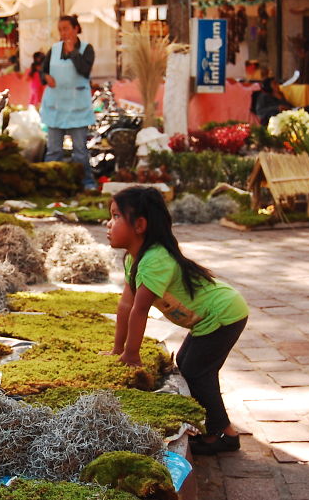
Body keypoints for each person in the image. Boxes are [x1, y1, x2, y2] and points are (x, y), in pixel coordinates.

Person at [107, 186, 249, 455]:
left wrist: (132, 354)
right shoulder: (134, 259)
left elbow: (140, 310)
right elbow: (125, 305)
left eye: (115, 216)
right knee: (188, 366)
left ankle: (225, 435)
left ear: (139, 225)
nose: (108, 223)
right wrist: (118, 349)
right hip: (209, 318)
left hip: (223, 313)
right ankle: (216, 431)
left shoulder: (155, 259)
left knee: (197, 371)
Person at [40, 14, 97, 190]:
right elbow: (43, 71)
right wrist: (46, 77)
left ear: (76, 28)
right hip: (56, 106)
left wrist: (73, 52)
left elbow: (84, 71)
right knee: (53, 151)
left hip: (77, 108)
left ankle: (85, 183)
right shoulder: (54, 49)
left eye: (66, 28)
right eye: (60, 29)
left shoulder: (87, 49)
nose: (63, 33)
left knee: (80, 150)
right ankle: (51, 184)